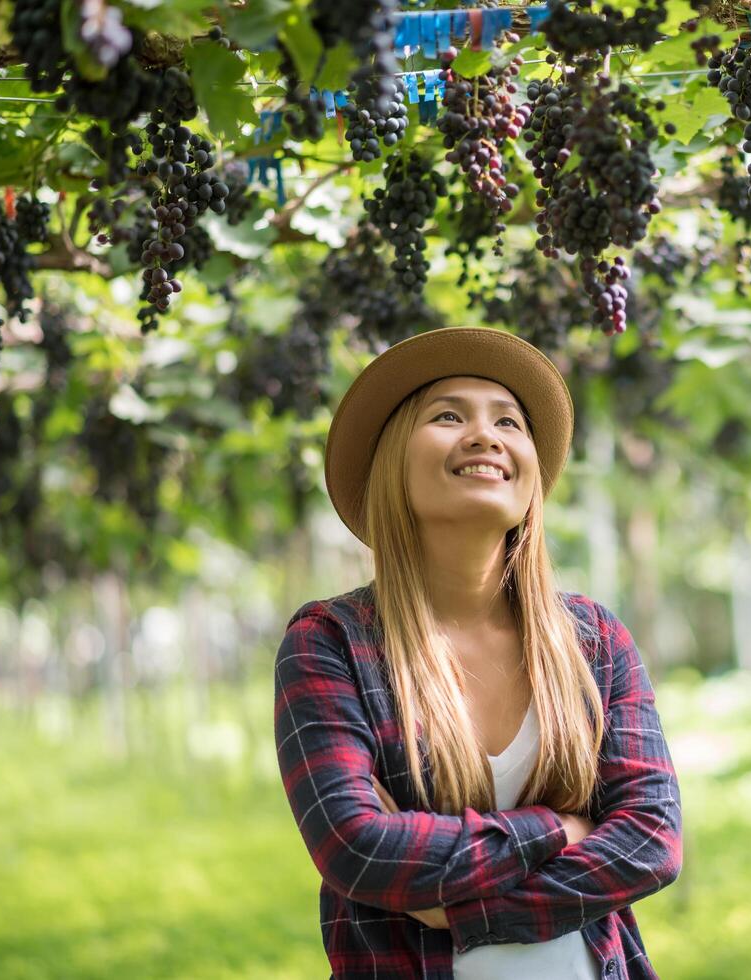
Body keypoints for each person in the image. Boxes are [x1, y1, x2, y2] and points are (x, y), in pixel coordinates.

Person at [273, 326, 684, 980]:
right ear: (391, 462)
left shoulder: (594, 640)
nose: (484, 435)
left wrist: (466, 913)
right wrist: (560, 829)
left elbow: (651, 842)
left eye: (508, 422)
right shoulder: (329, 643)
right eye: (446, 416)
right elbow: (359, 848)